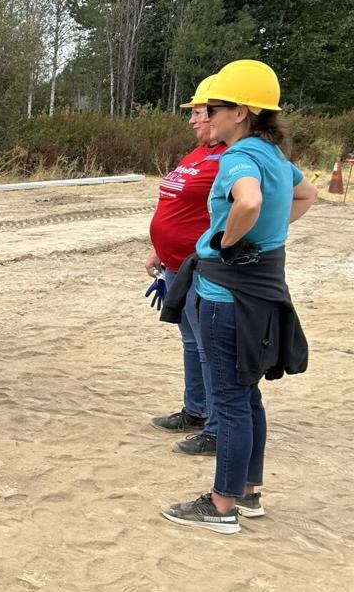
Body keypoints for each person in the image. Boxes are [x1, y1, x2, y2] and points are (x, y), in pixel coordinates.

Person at [161, 59, 315, 535]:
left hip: (225, 294)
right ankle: (247, 493)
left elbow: (246, 201)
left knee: (228, 400)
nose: (206, 114)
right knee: (247, 397)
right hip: (262, 290)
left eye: (213, 107)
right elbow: (306, 195)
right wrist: (267, 239)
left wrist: (229, 241)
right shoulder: (274, 155)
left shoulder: (239, 156)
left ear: (241, 112)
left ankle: (222, 505)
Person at [146, 75, 226, 456]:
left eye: (198, 113)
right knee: (191, 341)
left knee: (209, 346)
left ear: (219, 114)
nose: (193, 120)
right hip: (175, 263)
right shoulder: (197, 154)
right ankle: (195, 411)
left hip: (201, 266)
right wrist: (158, 248)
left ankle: (216, 426)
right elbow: (175, 203)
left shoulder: (232, 156)